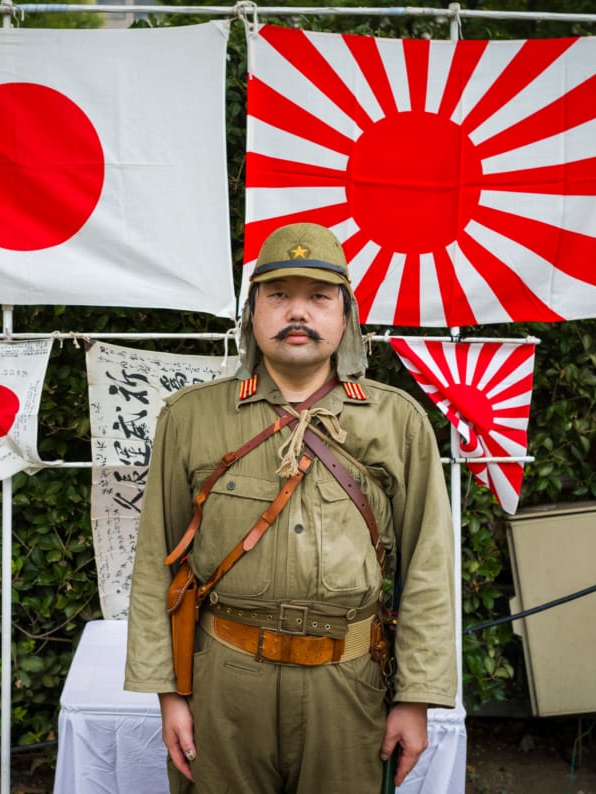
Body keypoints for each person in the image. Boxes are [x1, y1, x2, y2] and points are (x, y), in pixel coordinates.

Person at [124, 222, 456, 793]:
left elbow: (429, 566)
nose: (296, 312)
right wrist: (169, 694)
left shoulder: (396, 420)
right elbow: (157, 558)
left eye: (318, 298)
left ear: (345, 316)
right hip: (223, 685)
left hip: (349, 686)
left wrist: (417, 698)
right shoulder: (192, 417)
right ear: (253, 313)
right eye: (278, 296)